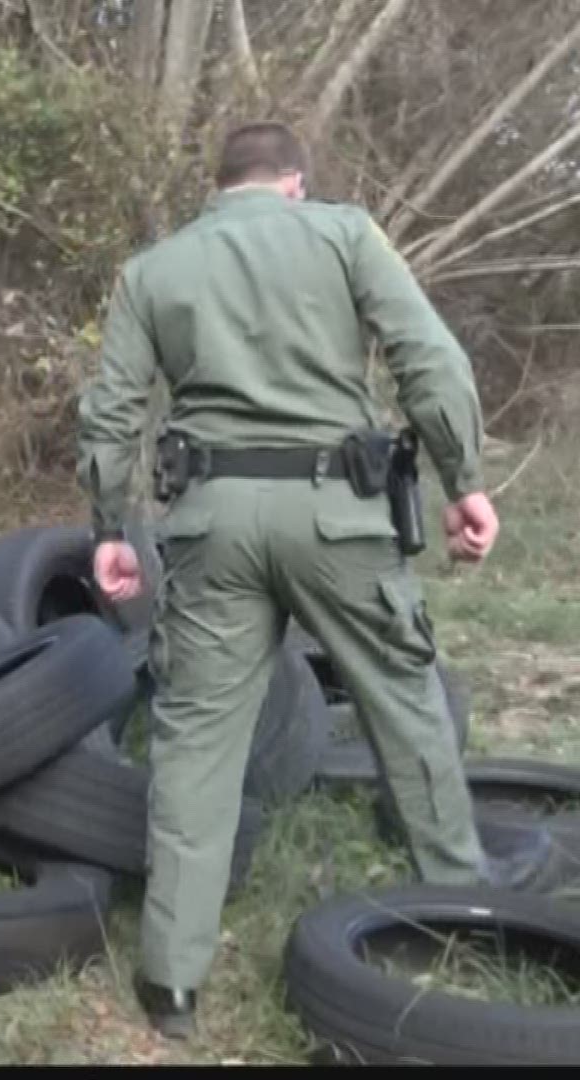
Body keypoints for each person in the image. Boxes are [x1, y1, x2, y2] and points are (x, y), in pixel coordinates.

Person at [74, 122, 503, 1041]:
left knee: (194, 739)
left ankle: (172, 983)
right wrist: (465, 480)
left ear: (218, 185)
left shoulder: (156, 269)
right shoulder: (347, 234)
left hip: (211, 520)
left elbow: (111, 409)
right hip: (337, 514)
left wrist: (111, 529)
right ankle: (463, 918)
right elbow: (428, 358)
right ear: (294, 184)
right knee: (404, 702)